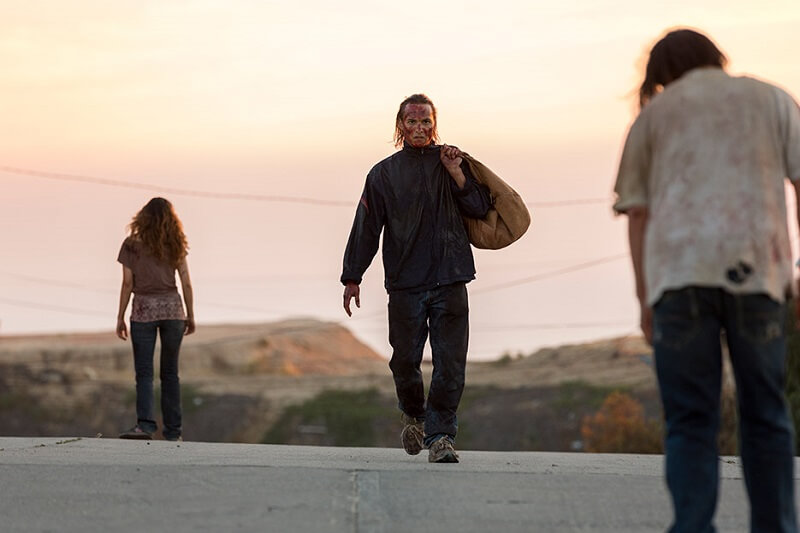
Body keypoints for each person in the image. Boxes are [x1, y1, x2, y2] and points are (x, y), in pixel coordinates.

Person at [613, 28, 800, 532]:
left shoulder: (652, 117)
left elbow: (637, 214)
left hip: (679, 281)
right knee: (766, 415)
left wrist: (644, 298)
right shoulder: (772, 99)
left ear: (660, 75)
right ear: (716, 56)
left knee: (691, 419)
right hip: (757, 276)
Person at [341, 94, 491, 463]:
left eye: (426, 122)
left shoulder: (452, 162)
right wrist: (352, 276)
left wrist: (456, 173)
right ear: (401, 127)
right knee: (405, 360)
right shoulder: (383, 175)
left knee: (450, 364)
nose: (419, 128)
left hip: (451, 276)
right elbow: (366, 227)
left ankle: (441, 438)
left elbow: (479, 208)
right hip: (406, 283)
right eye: (412, 122)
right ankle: (414, 415)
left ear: (434, 125)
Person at [116, 197, 195, 442]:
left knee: (144, 373)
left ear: (143, 218)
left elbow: (127, 283)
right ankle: (173, 432)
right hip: (173, 311)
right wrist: (190, 315)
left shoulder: (131, 245)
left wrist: (120, 317)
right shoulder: (175, 244)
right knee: (170, 373)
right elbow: (186, 282)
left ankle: (145, 426)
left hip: (143, 312)